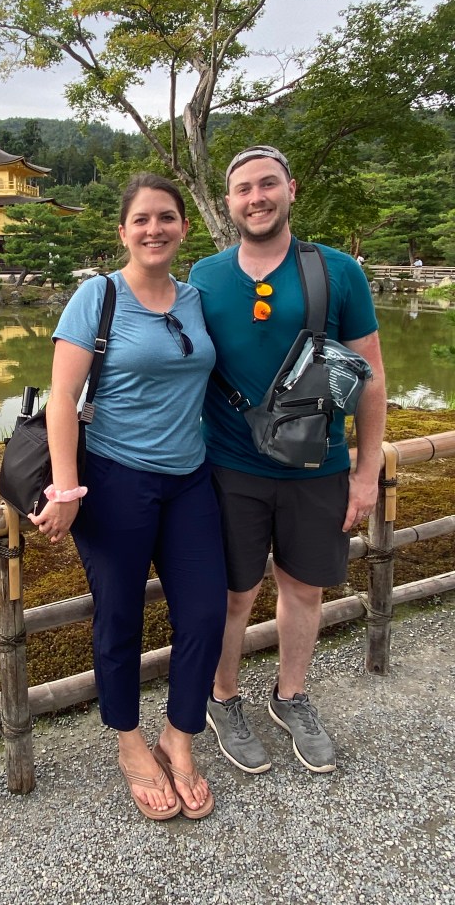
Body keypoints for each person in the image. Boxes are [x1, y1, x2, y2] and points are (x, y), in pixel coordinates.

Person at [29, 173, 227, 821]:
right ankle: (129, 742)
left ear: (184, 228)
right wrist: (66, 488)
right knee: (119, 617)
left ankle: (179, 735)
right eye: (141, 219)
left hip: (190, 477)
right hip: (117, 479)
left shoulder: (196, 299)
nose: (154, 229)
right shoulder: (98, 295)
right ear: (123, 231)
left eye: (165, 217)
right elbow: (62, 397)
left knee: (204, 613)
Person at [188, 145, 386, 775]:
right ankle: (223, 698)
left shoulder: (337, 271)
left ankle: (291, 696)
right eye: (244, 188)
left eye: (268, 184)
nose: (257, 198)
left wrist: (367, 471)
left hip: (317, 464)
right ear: (228, 202)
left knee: (304, 588)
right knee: (233, 594)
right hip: (229, 465)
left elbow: (371, 377)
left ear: (291, 189)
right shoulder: (204, 276)